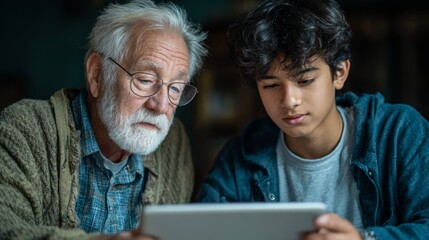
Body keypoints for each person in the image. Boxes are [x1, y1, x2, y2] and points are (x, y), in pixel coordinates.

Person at [197, 0, 429, 239]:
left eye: (305, 80)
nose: (289, 100)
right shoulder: (243, 154)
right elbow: (203, 230)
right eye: (271, 85)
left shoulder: (399, 132)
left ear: (339, 73)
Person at [0, 0, 207, 239]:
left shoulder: (174, 143)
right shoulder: (23, 130)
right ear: (97, 75)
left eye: (175, 88)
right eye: (145, 80)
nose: (161, 105)